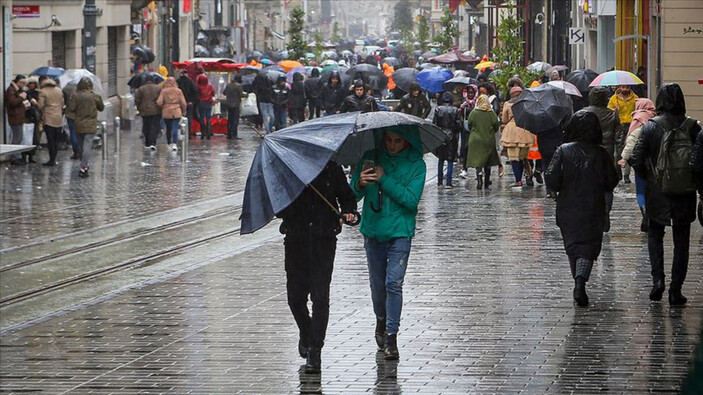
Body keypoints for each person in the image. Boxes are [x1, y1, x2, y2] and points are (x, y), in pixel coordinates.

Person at [350, 127, 426, 361]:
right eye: (389, 140)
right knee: (377, 285)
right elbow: (351, 196)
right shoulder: (370, 158)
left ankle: (391, 336)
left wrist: (384, 178)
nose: (392, 145)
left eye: (398, 141)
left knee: (393, 283)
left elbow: (411, 200)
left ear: (407, 141)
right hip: (373, 230)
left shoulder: (416, 165)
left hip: (400, 232)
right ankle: (381, 319)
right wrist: (360, 184)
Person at [277, 162, 357, 374]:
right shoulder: (290, 169)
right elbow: (278, 206)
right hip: (296, 240)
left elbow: (347, 197)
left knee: (320, 297)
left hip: (324, 240)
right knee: (295, 298)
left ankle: (315, 350)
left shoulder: (332, 168)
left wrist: (349, 213)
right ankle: (306, 331)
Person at [631, 83, 701, 306]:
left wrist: (649, 177)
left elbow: (636, 158)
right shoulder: (693, 127)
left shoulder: (651, 126)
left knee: (655, 234)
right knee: (682, 241)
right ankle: (675, 290)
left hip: (657, 190)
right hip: (684, 191)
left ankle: (657, 281)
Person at [545, 110, 619, 307]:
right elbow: (611, 181)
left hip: (568, 207)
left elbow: (551, 178)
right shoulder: (601, 153)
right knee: (588, 248)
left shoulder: (563, 150)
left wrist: (560, 185)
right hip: (593, 207)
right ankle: (580, 282)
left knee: (573, 246)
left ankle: (578, 282)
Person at [583, 86, 620, 231]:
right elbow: (619, 139)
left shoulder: (582, 114)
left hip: (587, 155)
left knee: (588, 186)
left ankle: (591, 215)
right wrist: (619, 159)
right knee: (607, 187)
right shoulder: (612, 115)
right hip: (607, 155)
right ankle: (605, 212)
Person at [619, 98, 657, 232]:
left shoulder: (638, 119)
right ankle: (651, 213)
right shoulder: (655, 119)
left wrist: (624, 158)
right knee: (653, 189)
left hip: (641, 162)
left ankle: (645, 213)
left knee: (641, 190)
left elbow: (631, 141)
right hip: (655, 162)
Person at [67, 77, 104, 178]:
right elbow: (101, 108)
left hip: (79, 123)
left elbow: (71, 108)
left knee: (80, 146)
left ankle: (84, 164)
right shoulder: (95, 96)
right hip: (91, 124)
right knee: (87, 145)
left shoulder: (75, 95)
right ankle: (84, 167)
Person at [500, 86, 535, 187]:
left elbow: (504, 119)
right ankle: (528, 174)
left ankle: (518, 180)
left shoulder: (507, 104)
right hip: (525, 130)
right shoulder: (527, 103)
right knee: (524, 157)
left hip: (511, 132)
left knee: (514, 158)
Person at [467, 94, 501, 190]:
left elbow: (469, 124)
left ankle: (479, 179)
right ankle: (486, 180)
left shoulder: (474, 112)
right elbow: (496, 126)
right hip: (488, 139)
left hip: (475, 140)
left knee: (478, 161)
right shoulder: (491, 113)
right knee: (488, 160)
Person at [608, 85, 639, 183]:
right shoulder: (614, 99)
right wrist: (615, 110)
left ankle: (626, 175)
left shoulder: (635, 98)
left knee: (629, 149)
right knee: (618, 151)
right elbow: (608, 113)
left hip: (631, 125)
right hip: (619, 126)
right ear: (619, 87)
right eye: (623, 87)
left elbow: (638, 111)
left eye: (627, 87)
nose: (625, 89)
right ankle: (618, 174)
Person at [433, 92, 461, 188]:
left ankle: (440, 182)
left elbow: (434, 124)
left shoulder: (438, 109)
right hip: (451, 136)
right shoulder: (455, 110)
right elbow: (458, 125)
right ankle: (449, 182)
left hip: (441, 135)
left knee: (440, 159)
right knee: (450, 159)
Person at [37, 77, 64, 166]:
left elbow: (40, 105)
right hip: (58, 117)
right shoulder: (59, 90)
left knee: (50, 139)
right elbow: (62, 103)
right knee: (56, 140)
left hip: (48, 118)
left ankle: (51, 159)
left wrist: (35, 103)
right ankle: (54, 158)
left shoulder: (43, 91)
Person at [157, 77, 187, 151]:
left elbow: (159, 102)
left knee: (168, 127)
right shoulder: (178, 91)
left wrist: (162, 107)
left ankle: (169, 143)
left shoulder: (163, 91)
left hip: (166, 111)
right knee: (175, 127)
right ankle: (174, 143)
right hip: (176, 111)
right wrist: (183, 111)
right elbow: (183, 103)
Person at [4, 74, 29, 166]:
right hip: (15, 117)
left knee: (18, 138)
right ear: (17, 82)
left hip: (18, 116)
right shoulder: (11, 90)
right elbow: (12, 102)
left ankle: (16, 156)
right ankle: (14, 157)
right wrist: (21, 97)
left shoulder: (16, 90)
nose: (23, 85)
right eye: (22, 82)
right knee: (17, 138)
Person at [134, 74, 162, 149]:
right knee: (154, 126)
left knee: (146, 126)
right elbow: (160, 99)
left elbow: (137, 100)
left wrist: (139, 107)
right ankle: (153, 142)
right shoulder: (158, 88)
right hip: (156, 110)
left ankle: (147, 142)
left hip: (144, 110)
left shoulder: (141, 89)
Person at [458, 84, 478, 179]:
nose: (470, 94)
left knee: (476, 148)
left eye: (472, 93)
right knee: (465, 147)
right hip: (465, 129)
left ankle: (478, 170)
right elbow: (460, 115)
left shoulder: (477, 103)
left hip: (476, 128)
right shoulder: (464, 104)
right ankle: (464, 168)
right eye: (469, 92)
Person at [222, 75, 247, 139]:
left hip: (229, 104)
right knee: (235, 120)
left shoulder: (229, 85)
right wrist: (247, 95)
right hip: (236, 105)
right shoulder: (239, 86)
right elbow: (241, 94)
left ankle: (229, 134)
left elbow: (224, 93)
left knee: (230, 120)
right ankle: (234, 134)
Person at [176, 70, 198, 139]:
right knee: (189, 118)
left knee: (179, 118)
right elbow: (195, 91)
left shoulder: (177, 81)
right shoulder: (190, 81)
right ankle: (188, 134)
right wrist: (192, 100)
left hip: (179, 103)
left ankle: (179, 134)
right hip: (189, 103)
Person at [196, 74, 215, 139]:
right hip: (209, 103)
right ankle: (208, 132)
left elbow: (197, 95)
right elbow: (213, 93)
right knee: (208, 118)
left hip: (201, 103)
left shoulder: (198, 87)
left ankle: (202, 132)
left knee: (201, 118)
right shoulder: (210, 86)